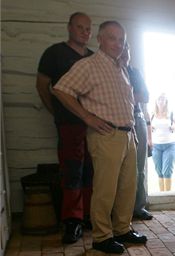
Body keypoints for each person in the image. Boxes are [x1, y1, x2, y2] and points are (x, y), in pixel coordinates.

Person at [52, 21, 147, 254]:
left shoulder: (120, 67)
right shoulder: (89, 65)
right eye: (112, 38)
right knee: (105, 188)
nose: (118, 44)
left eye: (121, 40)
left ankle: (123, 229)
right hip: (106, 135)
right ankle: (102, 236)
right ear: (100, 39)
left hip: (127, 134)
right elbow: (61, 89)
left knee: (127, 186)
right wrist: (87, 117)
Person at [36, 12, 93, 244]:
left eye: (88, 28)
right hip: (69, 124)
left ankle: (88, 215)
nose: (84, 32)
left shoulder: (93, 57)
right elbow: (42, 87)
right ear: (69, 27)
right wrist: (58, 113)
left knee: (91, 170)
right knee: (72, 171)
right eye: (80, 27)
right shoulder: (54, 53)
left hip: (93, 124)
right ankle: (72, 221)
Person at [119, 44, 153, 220]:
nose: (124, 54)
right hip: (115, 122)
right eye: (121, 50)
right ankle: (120, 211)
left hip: (137, 117)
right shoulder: (109, 72)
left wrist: (122, 96)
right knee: (118, 170)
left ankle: (138, 207)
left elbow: (145, 96)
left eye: (127, 50)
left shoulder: (134, 72)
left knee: (139, 167)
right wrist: (132, 95)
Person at [151, 93, 175, 191]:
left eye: (163, 99)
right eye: (159, 99)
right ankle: (161, 195)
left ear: (166, 101)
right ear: (156, 101)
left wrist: (174, 127)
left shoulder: (171, 114)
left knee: (167, 171)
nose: (161, 101)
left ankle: (167, 195)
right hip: (156, 146)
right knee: (159, 172)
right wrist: (149, 128)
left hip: (170, 145)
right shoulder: (152, 115)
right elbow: (147, 127)